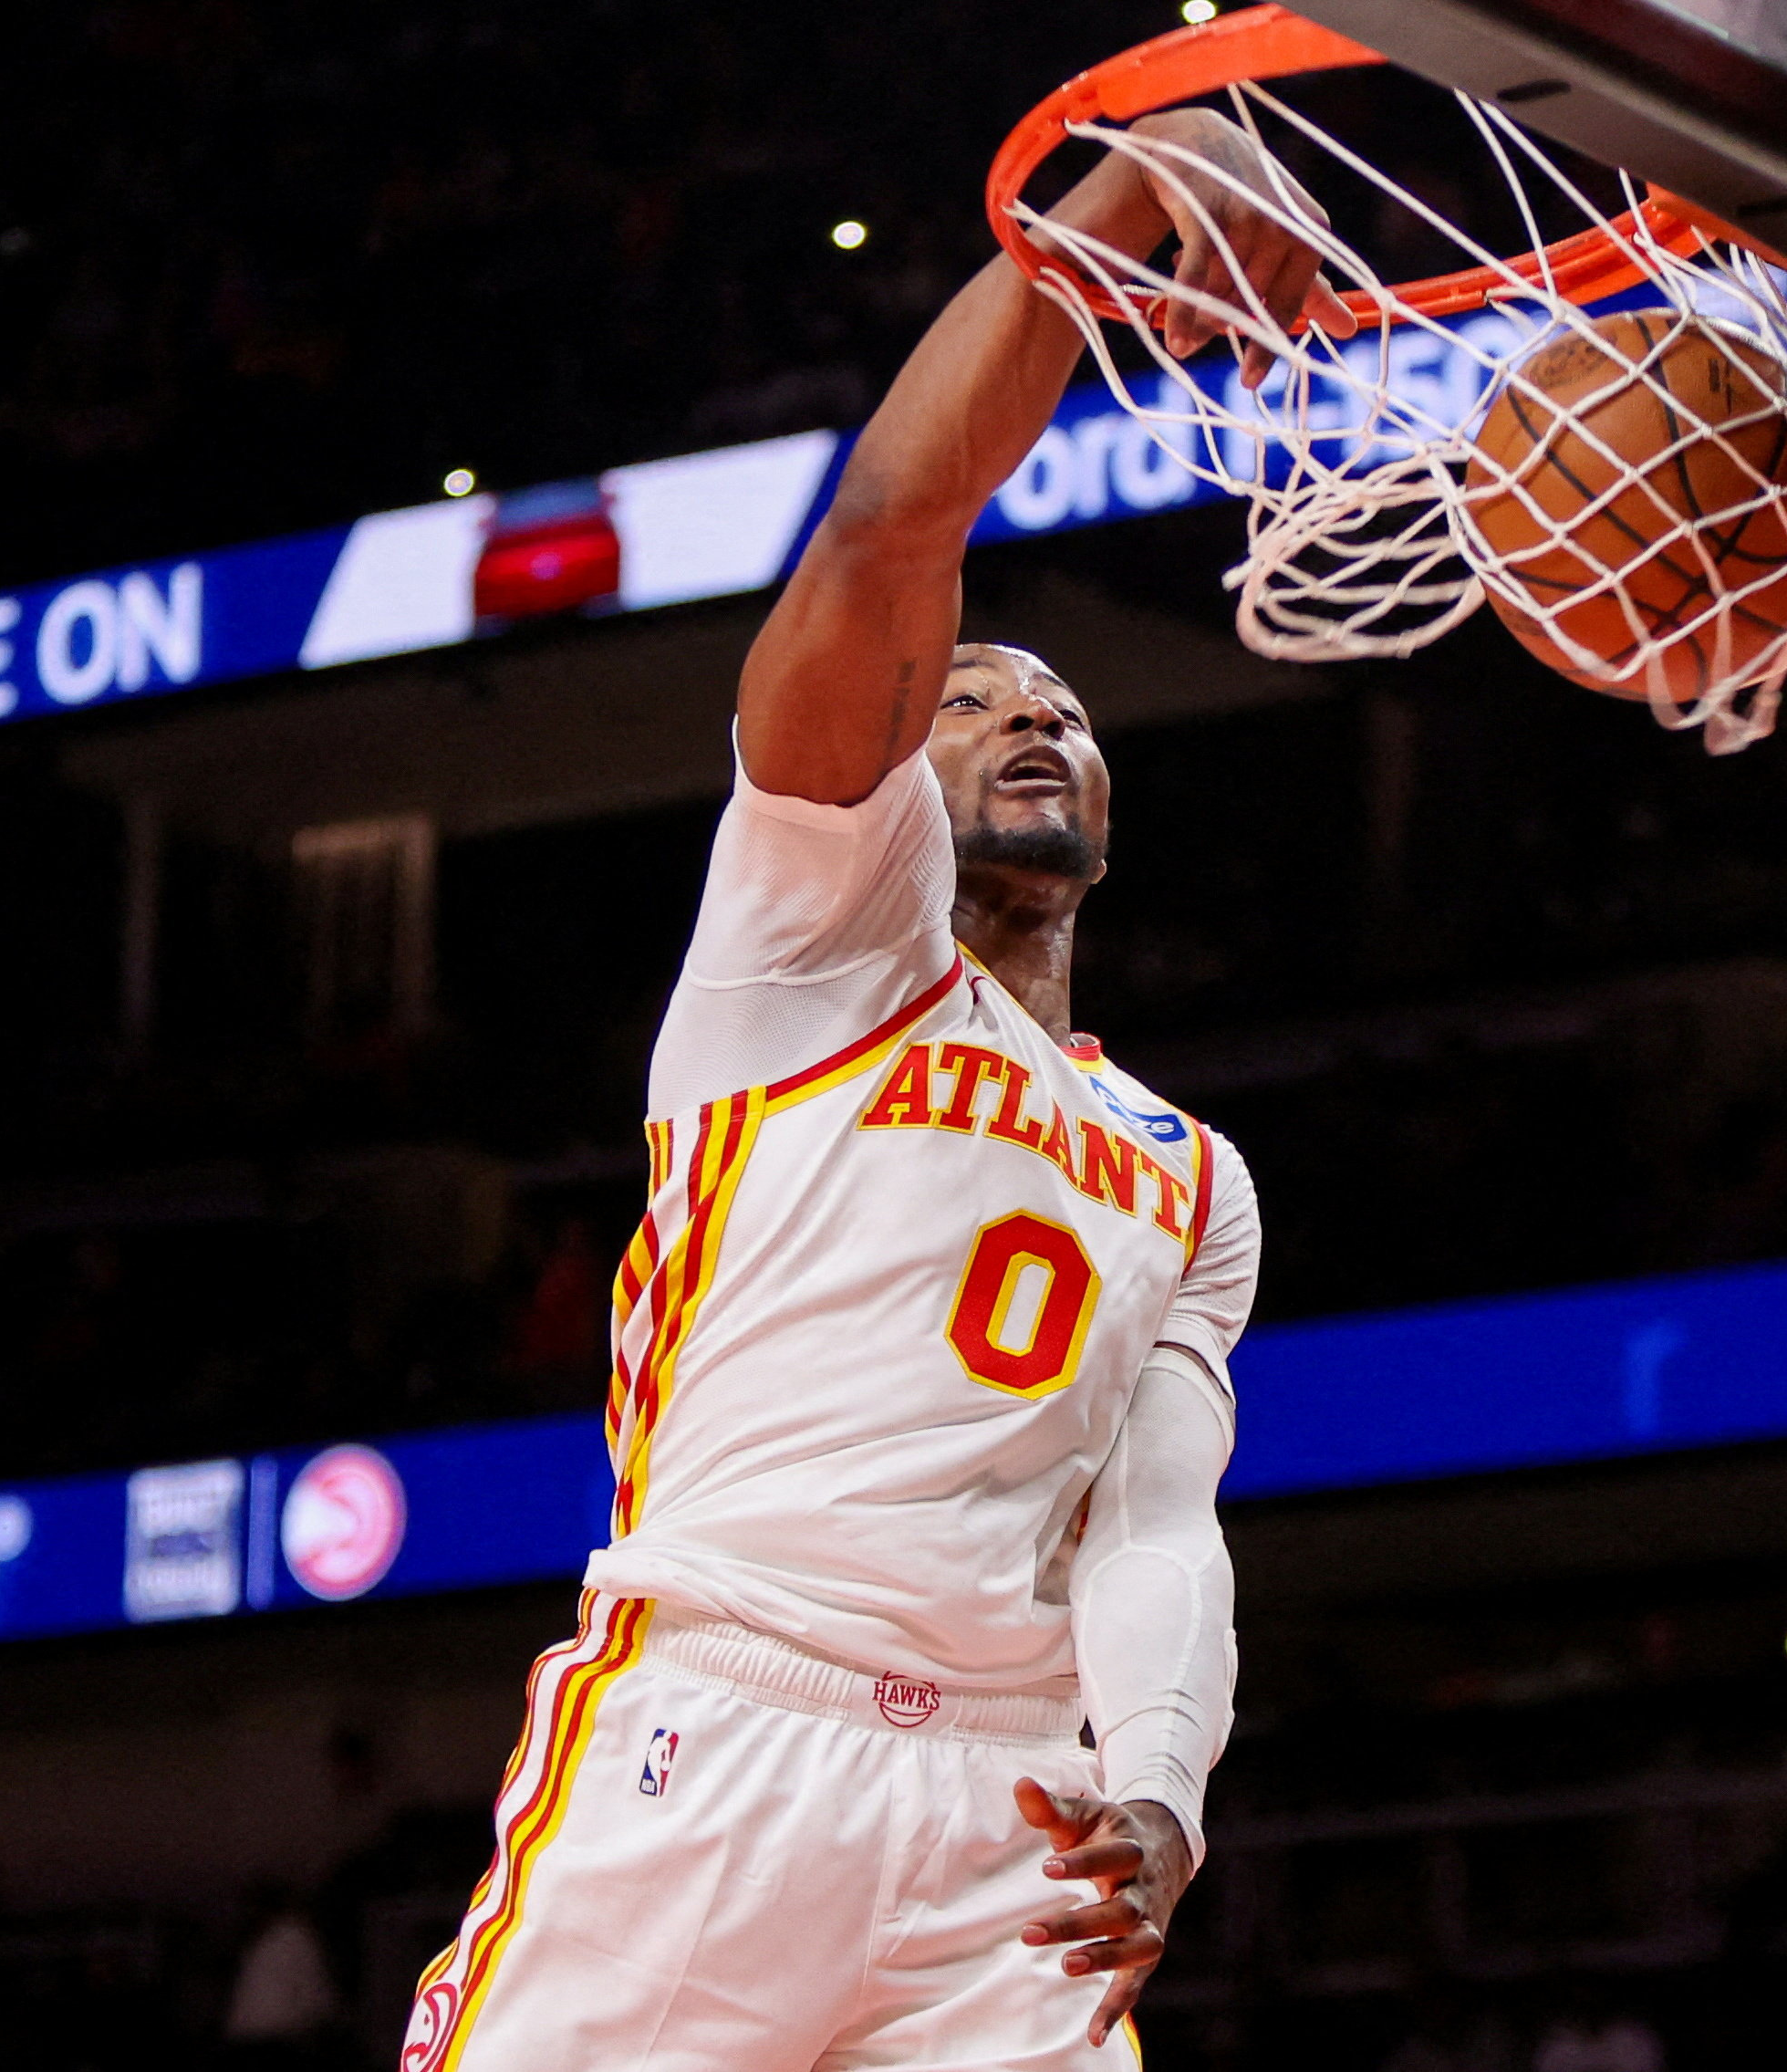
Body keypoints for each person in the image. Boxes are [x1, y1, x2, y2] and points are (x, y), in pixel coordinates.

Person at [401, 103, 1346, 2072]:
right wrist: (1118, 214)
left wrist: (1158, 1779)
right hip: (722, 1727)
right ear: (900, 764)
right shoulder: (813, 948)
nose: (1034, 714)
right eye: (979, 693)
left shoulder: (1186, 1167)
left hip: (1009, 1810)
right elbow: (887, 533)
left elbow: (1157, 1523)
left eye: (1067, 708)